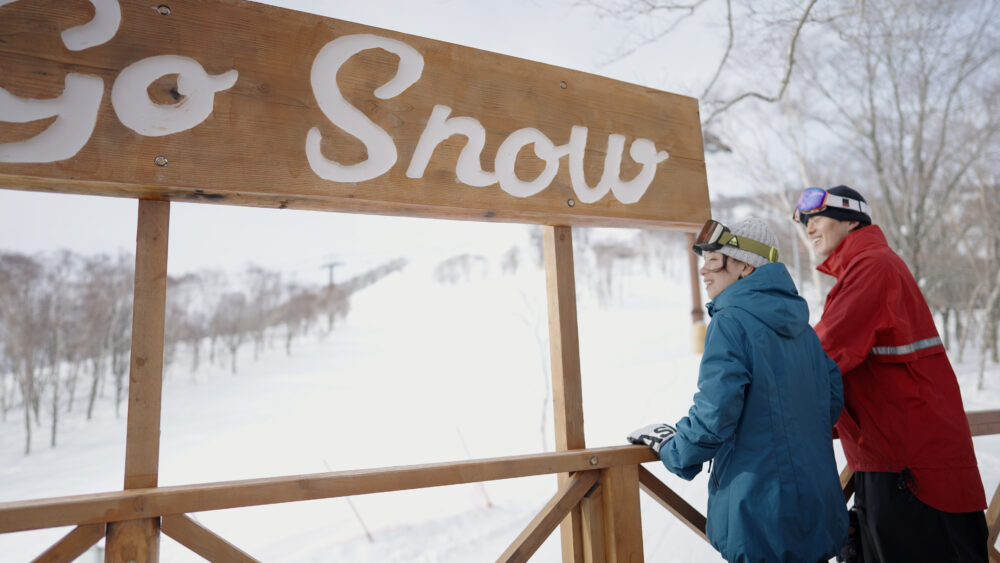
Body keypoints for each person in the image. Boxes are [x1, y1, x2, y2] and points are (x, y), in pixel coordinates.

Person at [628, 217, 848, 563]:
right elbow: (830, 401)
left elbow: (713, 419)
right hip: (817, 510)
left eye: (715, 260)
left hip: (760, 517)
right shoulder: (804, 331)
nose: (704, 270)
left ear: (745, 266)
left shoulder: (730, 323)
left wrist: (672, 447)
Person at [794, 185, 988, 562]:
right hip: (894, 460)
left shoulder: (873, 267)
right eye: (804, 223)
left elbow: (818, 357)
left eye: (817, 218)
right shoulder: (863, 269)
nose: (810, 228)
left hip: (912, 471)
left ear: (852, 219)